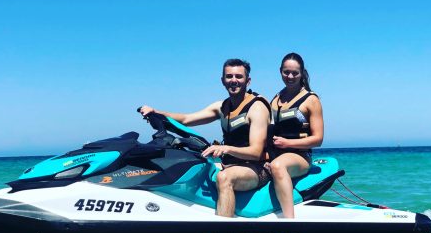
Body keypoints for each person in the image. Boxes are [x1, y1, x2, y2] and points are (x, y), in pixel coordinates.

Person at [139, 58, 270, 217]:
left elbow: (256, 152)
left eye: (239, 77)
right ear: (222, 80)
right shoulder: (222, 107)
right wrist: (156, 112)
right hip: (230, 164)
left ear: (248, 81)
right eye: (229, 77)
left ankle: (224, 231)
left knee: (224, 178)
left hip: (257, 168)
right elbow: (187, 119)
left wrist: (225, 148)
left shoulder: (257, 108)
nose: (233, 81)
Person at [268, 52, 324, 218]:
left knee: (277, 166)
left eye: (295, 73)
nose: (290, 76)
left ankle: (289, 220)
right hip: (275, 154)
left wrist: (287, 143)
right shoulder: (276, 98)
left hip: (300, 157)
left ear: (302, 73)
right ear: (280, 71)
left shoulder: (311, 100)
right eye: (286, 72)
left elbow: (318, 139)